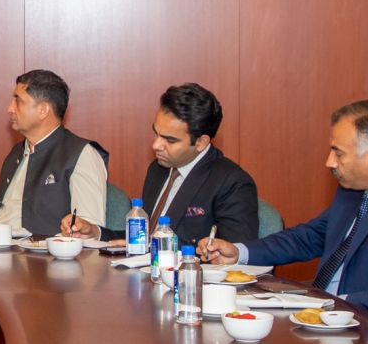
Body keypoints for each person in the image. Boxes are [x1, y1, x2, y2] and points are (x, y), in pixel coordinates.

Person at [203, 100, 368, 317]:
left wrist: (336, 303)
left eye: (339, 153)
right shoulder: (352, 191)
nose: (330, 162)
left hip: (366, 328)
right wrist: (239, 252)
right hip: (319, 314)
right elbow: (309, 237)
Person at [63, 83, 258, 245]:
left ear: (201, 142)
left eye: (170, 140)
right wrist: (96, 233)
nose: (156, 145)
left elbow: (232, 259)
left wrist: (151, 250)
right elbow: (144, 239)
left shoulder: (231, 182)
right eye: (155, 133)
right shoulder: (158, 169)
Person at [0, 69, 108, 236]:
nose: (10, 108)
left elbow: (86, 231)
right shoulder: (17, 152)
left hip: (44, 258)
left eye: (18, 101)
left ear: (43, 110)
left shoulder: (82, 154)